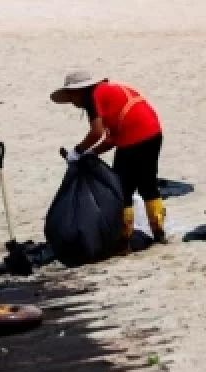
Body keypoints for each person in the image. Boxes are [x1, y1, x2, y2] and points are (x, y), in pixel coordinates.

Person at [51, 71, 165, 247]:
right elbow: (112, 137)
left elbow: (97, 132)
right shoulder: (108, 92)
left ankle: (123, 238)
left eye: (71, 97)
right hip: (153, 133)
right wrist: (93, 152)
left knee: (122, 189)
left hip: (134, 139)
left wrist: (78, 150)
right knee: (148, 185)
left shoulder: (92, 97)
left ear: (78, 91)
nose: (73, 103)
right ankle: (158, 232)